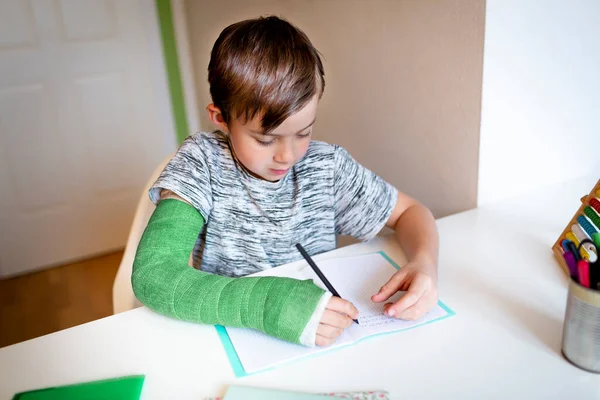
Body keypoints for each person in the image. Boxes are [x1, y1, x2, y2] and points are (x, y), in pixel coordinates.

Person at [132, 16, 439, 347]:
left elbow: (411, 212)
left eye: (303, 133)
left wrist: (424, 262)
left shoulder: (326, 167)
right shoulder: (201, 164)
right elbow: (154, 275)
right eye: (265, 140)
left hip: (322, 336)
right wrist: (266, 305)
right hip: (232, 339)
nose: (287, 155)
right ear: (221, 118)